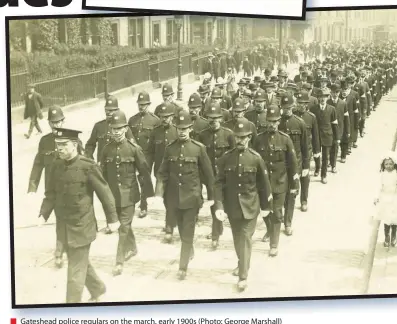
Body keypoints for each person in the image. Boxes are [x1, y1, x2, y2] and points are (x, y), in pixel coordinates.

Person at [38, 127, 120, 303]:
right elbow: (50, 193)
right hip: (63, 226)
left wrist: (113, 220)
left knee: (74, 273)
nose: (59, 148)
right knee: (80, 262)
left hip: (82, 226)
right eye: (57, 144)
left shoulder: (88, 166)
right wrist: (43, 213)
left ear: (74, 145)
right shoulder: (56, 165)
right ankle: (98, 288)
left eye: (63, 144)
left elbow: (105, 193)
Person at [148, 110, 215, 280]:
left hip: (192, 198)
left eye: (185, 128)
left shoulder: (199, 149)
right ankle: (189, 247)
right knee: (181, 229)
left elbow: (209, 175)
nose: (182, 131)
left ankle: (182, 267)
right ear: (176, 129)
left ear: (191, 129)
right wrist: (158, 194)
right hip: (173, 199)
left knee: (188, 231)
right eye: (179, 128)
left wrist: (213, 198)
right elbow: (162, 173)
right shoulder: (170, 149)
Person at [214, 117, 272, 291]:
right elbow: (218, 183)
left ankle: (243, 277)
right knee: (237, 239)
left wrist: (266, 207)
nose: (240, 140)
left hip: (251, 207)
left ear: (249, 138)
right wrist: (219, 206)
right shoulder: (225, 159)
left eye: (244, 137)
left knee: (246, 238)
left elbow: (264, 184)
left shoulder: (256, 159)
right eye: (237, 137)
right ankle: (242, 263)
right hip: (232, 208)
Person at [28, 106, 84, 268]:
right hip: (53, 188)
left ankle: (71, 249)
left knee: (71, 219)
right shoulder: (44, 141)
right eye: (53, 123)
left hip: (71, 185)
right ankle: (59, 253)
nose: (56, 125)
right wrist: (32, 187)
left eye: (59, 121)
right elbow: (38, 165)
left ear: (63, 121)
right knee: (60, 219)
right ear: (49, 123)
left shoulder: (72, 139)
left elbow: (83, 160)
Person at [101, 110, 154, 276]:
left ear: (125, 128)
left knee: (123, 227)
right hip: (113, 196)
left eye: (119, 128)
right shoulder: (106, 149)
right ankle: (132, 247)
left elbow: (144, 173)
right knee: (125, 225)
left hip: (130, 195)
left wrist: (149, 195)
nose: (116, 132)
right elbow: (102, 175)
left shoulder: (134, 149)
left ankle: (119, 262)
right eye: (113, 129)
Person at [252, 105, 299, 255]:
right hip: (263, 184)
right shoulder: (259, 139)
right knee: (265, 212)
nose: (271, 124)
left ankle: (274, 244)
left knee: (277, 213)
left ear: (279, 121)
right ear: (266, 121)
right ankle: (270, 230)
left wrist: (294, 185)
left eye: (274, 121)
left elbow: (292, 164)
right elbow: (253, 161)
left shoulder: (285, 140)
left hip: (280, 183)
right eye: (269, 121)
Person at [128, 91, 160, 219]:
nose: (141, 107)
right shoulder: (132, 119)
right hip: (134, 153)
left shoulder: (155, 120)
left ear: (149, 104)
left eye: (144, 104)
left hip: (148, 154)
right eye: (140, 104)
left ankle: (143, 206)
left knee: (143, 179)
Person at [373, 152, 397, 248]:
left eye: (390, 164)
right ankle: (386, 237)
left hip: (395, 198)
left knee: (395, 219)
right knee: (387, 219)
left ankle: (394, 237)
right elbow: (378, 186)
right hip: (385, 199)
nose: (388, 166)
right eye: (386, 164)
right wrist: (376, 197)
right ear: (383, 165)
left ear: (394, 164)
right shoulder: (382, 175)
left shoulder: (396, 174)